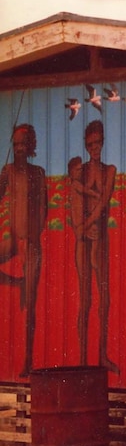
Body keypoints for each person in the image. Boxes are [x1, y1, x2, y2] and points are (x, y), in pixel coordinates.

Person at [69, 120, 119, 374]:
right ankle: (82, 359)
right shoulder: (81, 171)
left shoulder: (109, 170)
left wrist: (83, 224)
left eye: (98, 143)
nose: (94, 148)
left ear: (103, 142)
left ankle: (101, 356)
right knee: (85, 300)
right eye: (90, 145)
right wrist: (79, 228)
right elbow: (75, 198)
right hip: (83, 240)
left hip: (98, 238)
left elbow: (103, 205)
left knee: (104, 299)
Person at [0, 124, 47, 377]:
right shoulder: (7, 171)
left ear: (30, 147)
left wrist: (34, 235)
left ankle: (28, 359)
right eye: (16, 144)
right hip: (13, 240)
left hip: (30, 243)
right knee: (24, 290)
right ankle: (15, 283)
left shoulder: (38, 173)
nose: (19, 148)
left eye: (23, 144)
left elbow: (43, 208)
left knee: (30, 305)